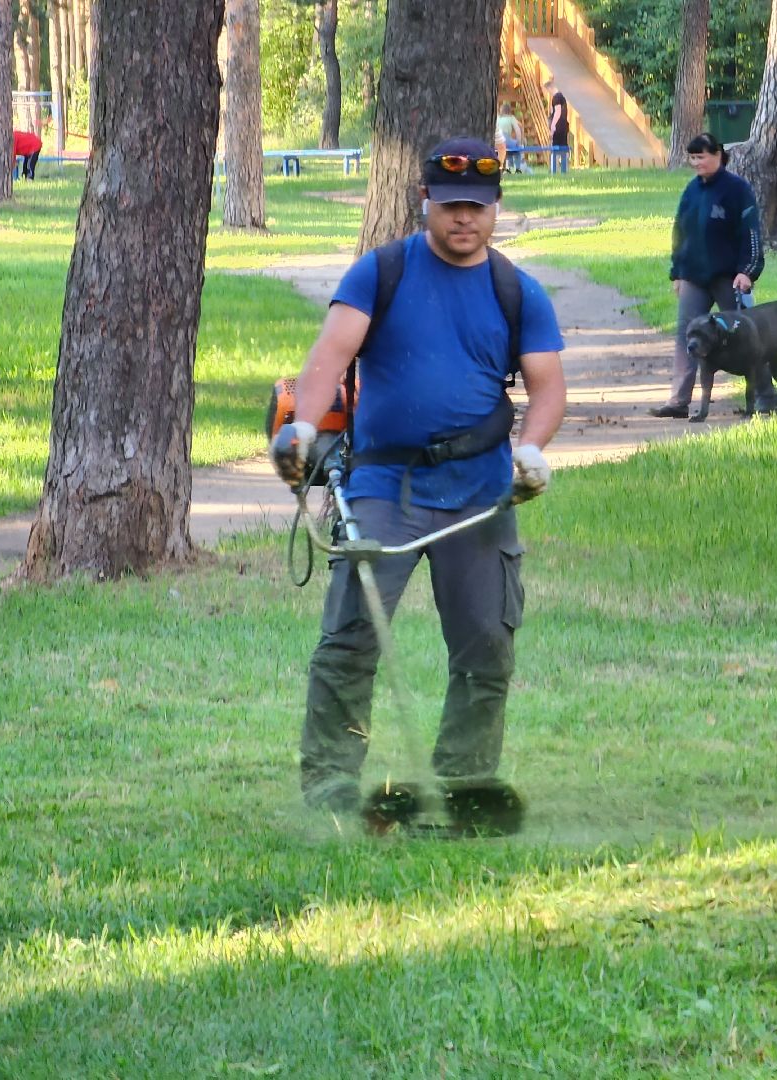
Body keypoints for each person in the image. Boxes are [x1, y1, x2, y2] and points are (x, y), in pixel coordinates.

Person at [271, 136, 567, 813]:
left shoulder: (517, 291)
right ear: (425, 200)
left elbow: (548, 389)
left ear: (496, 209)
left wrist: (533, 451)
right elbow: (327, 359)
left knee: (488, 643)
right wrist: (305, 429)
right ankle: (331, 783)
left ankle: (464, 779)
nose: (466, 219)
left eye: (480, 207)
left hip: (480, 493)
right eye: (453, 205)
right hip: (385, 488)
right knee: (351, 636)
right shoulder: (381, 273)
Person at [650, 132, 776, 419]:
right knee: (687, 335)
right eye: (692, 157)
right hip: (694, 276)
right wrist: (677, 273)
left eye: (701, 157)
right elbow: (680, 233)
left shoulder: (737, 190)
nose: (696, 163)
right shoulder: (691, 192)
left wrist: (748, 271)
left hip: (729, 277)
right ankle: (679, 401)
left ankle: (766, 397)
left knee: (748, 336)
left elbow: (751, 234)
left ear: (718, 155)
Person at [496, 102, 528, 174]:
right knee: (516, 150)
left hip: (498, 141)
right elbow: (517, 130)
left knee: (508, 152)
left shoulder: (498, 118)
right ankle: (518, 169)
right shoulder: (511, 118)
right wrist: (519, 142)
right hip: (506, 139)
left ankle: (508, 168)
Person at [545, 79, 570, 168]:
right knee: (564, 146)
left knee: (555, 148)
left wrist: (553, 125)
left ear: (550, 88)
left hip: (558, 127)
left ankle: (554, 168)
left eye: (548, 91)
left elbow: (557, 112)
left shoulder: (556, 98)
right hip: (564, 126)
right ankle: (565, 167)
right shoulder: (562, 97)